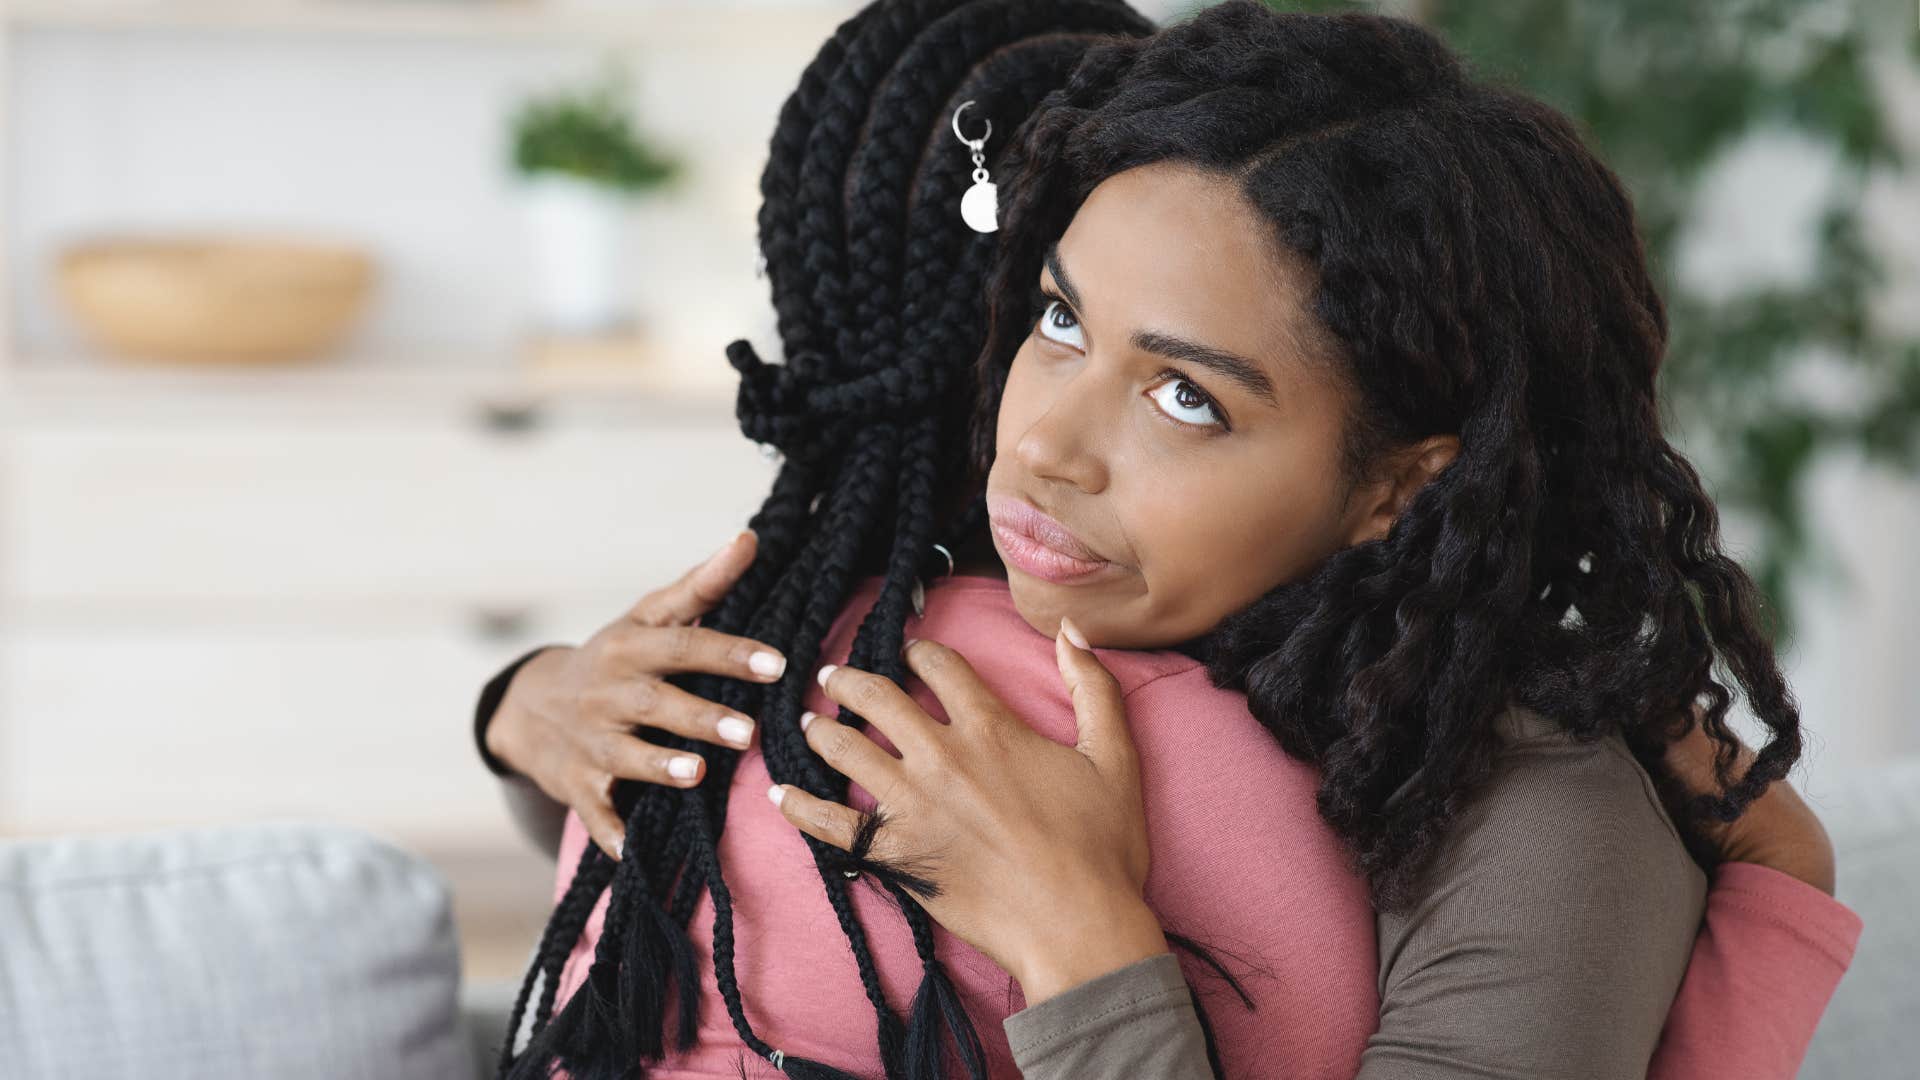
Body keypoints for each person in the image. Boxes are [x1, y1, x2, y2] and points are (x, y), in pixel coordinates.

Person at [480, 3, 1864, 1078]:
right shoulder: (919, 586)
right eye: (1061, 321)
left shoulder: (1534, 810)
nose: (1043, 445)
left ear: (1399, 485)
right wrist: (532, 712)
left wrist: (1076, 938)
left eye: (1187, 397)